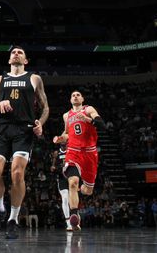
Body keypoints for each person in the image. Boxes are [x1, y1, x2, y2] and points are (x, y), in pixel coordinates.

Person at [0, 46, 49, 239]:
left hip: (24, 130)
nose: (16, 53)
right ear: (9, 60)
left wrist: (41, 123)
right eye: (13, 52)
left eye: (21, 52)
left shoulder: (34, 78)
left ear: (26, 60)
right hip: (2, 129)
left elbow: (45, 108)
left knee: (18, 174)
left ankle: (13, 219)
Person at [52, 90, 106, 231]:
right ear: (70, 100)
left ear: (82, 98)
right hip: (73, 152)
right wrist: (60, 138)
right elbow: (67, 134)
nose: (75, 96)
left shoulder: (88, 109)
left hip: (89, 153)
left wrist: (87, 119)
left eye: (78, 95)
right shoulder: (66, 115)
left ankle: (82, 190)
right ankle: (74, 216)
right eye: (73, 95)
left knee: (87, 191)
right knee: (73, 183)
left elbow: (102, 125)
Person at [51, 145, 73, 231]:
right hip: (61, 179)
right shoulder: (56, 154)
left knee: (73, 200)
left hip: (72, 178)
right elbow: (53, 169)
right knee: (65, 199)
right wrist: (60, 167)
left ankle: (75, 217)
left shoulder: (71, 151)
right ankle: (68, 223)